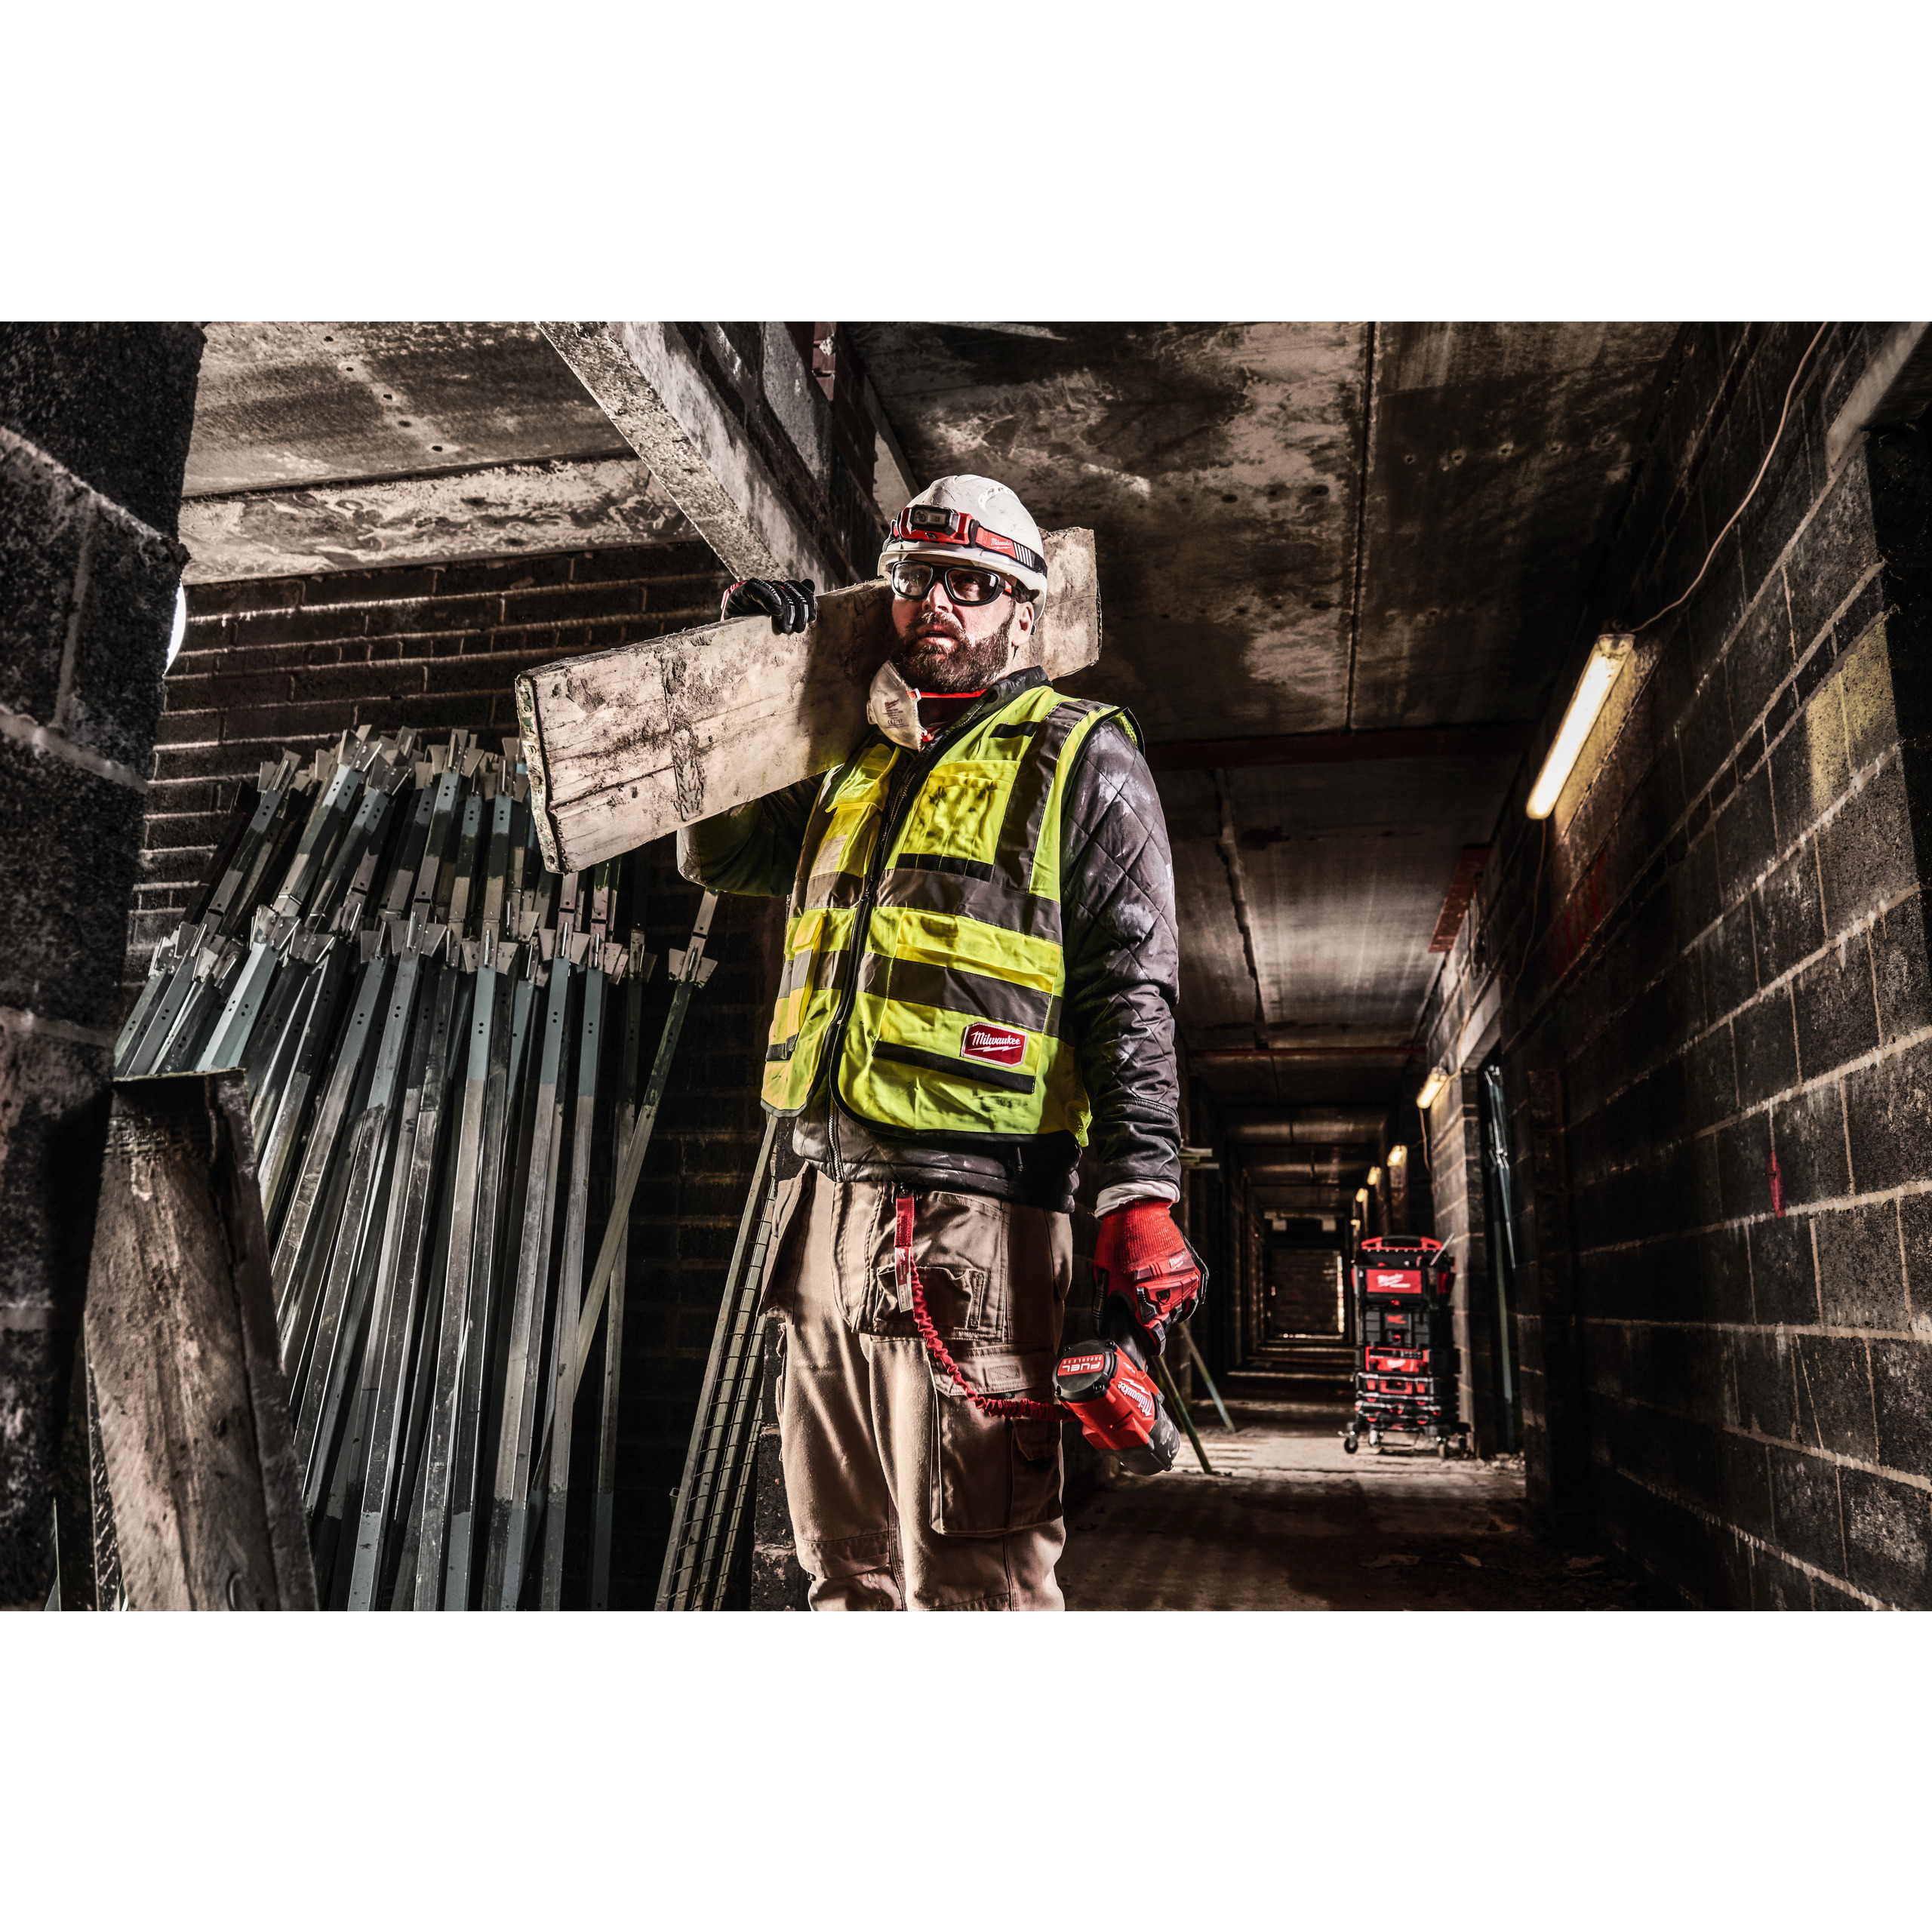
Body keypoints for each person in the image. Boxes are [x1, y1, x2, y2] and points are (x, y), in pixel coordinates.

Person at [680, 474, 1198, 1611]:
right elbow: (724, 857)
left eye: (973, 585)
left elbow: (1132, 988)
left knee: (973, 1587)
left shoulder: (1079, 756)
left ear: (1025, 611)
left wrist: (1141, 1190)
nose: (938, 606)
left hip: (978, 1222)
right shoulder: (852, 760)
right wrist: (741, 685)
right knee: (845, 1569)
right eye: (918, 579)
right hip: (824, 1205)